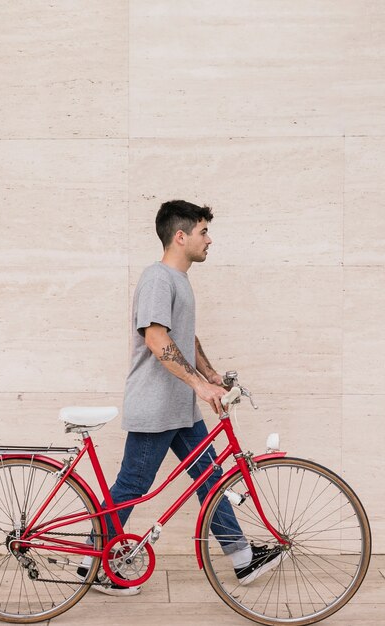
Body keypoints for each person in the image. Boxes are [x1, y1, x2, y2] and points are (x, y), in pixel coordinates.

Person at [78, 200, 282, 595]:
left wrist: (210, 375)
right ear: (180, 235)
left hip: (179, 408)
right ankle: (93, 562)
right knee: (133, 485)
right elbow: (156, 338)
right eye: (204, 232)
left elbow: (183, 336)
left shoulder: (179, 281)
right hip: (156, 405)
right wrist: (199, 386)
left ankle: (242, 558)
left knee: (210, 477)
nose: (210, 240)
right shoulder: (158, 278)